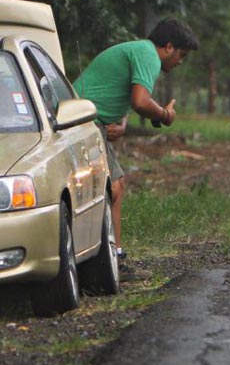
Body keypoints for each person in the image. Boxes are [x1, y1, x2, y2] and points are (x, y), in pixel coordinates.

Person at [73, 17, 199, 280]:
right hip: (83, 121)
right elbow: (140, 101)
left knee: (114, 185)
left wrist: (121, 123)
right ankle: (110, 263)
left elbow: (121, 96)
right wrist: (164, 114)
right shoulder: (148, 55)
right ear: (167, 46)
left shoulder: (140, 51)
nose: (180, 62)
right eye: (181, 54)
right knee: (114, 187)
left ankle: (109, 258)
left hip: (88, 120)